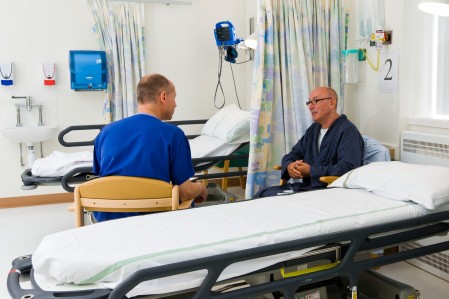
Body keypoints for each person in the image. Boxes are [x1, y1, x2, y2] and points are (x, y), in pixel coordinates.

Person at [92, 73, 207, 221]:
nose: (176, 104)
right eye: (174, 97)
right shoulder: (173, 135)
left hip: (109, 221)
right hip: (154, 221)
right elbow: (185, 192)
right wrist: (201, 187)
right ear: (163, 97)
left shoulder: (106, 132)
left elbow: (100, 178)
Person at [254, 86, 364, 198]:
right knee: (262, 194)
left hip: (327, 192)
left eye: (315, 101)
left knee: (269, 199)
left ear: (332, 103)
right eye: (309, 102)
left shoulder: (348, 131)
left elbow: (349, 168)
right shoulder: (314, 130)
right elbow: (294, 153)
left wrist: (311, 170)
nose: (310, 106)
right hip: (306, 188)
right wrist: (289, 166)